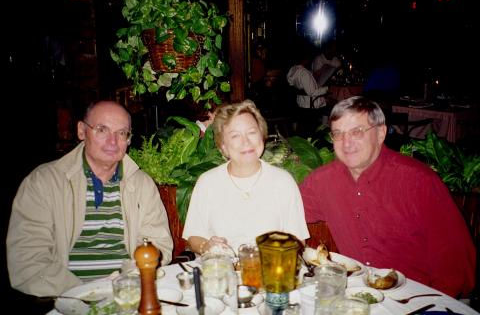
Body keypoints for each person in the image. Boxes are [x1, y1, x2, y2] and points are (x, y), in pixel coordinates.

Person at [300, 96, 476, 298]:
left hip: (419, 298)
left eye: (357, 132)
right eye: (338, 134)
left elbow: (457, 262)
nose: (346, 143)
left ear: (381, 133)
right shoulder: (322, 181)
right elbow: (283, 207)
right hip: (359, 297)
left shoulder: (418, 181)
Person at [6, 100, 173, 297]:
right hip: (66, 298)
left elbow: (158, 246)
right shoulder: (43, 183)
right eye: (102, 130)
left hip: (128, 294)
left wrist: (126, 283)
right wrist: (88, 294)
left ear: (128, 139)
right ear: (81, 131)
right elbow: (27, 260)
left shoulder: (142, 185)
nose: (113, 141)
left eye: (121, 133)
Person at [182, 99, 310, 254]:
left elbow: (297, 240)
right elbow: (194, 235)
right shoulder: (207, 183)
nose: (246, 141)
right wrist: (206, 246)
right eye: (235, 136)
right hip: (222, 271)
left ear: (262, 136)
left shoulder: (283, 182)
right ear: (223, 146)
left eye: (252, 132)